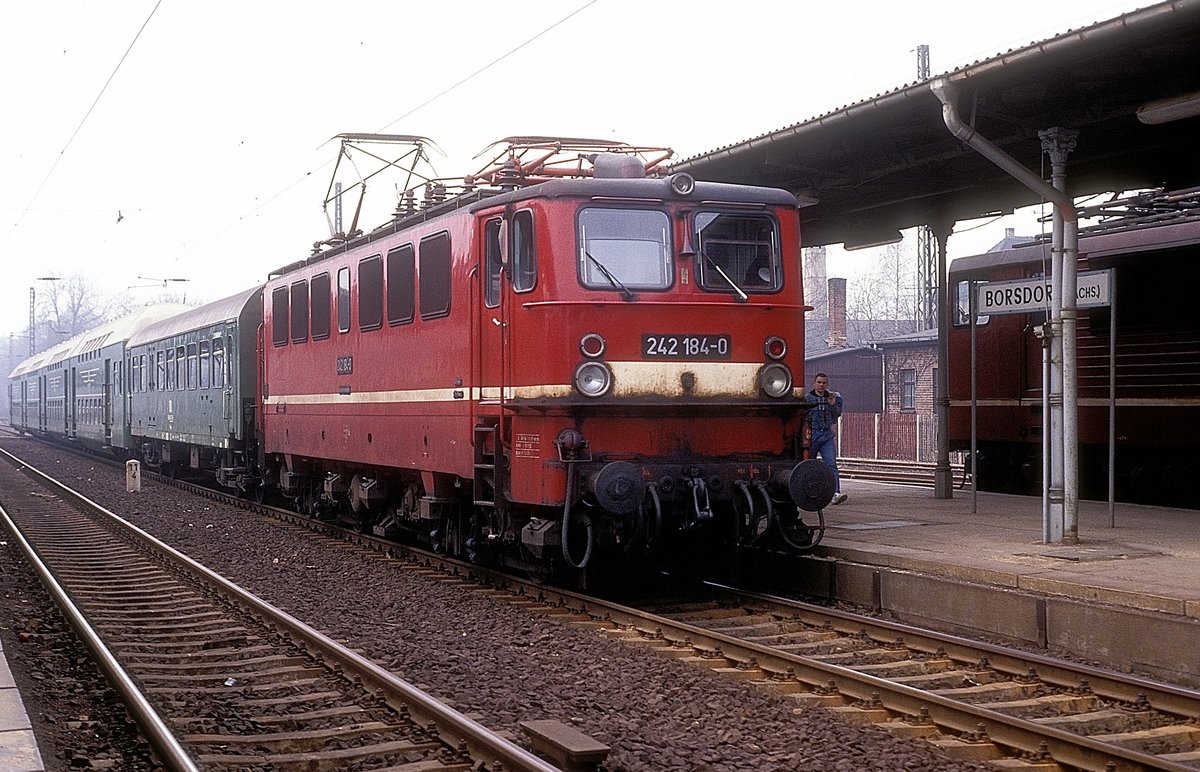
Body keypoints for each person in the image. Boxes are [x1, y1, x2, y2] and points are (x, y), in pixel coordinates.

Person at [804, 372, 847, 504]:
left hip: (826, 435)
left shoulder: (832, 397)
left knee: (831, 463)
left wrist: (833, 404)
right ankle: (808, 492)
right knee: (808, 465)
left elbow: (837, 415)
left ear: (827, 384)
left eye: (824, 383)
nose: (821, 385)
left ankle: (835, 493)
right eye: (819, 382)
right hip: (812, 435)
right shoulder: (807, 399)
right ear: (814, 383)